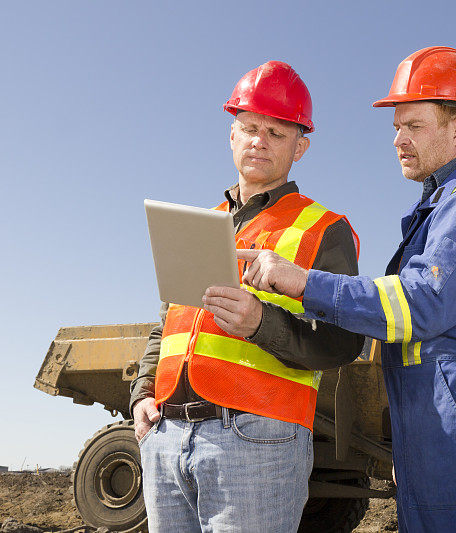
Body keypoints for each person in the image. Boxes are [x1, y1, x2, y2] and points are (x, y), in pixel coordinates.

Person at [237, 47, 456, 532]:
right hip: (446, 436)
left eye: (414, 126)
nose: (398, 140)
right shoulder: (444, 211)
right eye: (396, 127)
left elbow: (419, 304)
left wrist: (302, 281)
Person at [129, 61, 363, 533]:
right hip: (167, 437)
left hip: (257, 441)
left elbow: (343, 344)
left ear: (301, 147)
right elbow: (167, 325)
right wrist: (141, 394)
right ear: (231, 135)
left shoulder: (325, 229)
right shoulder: (201, 222)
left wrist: (261, 323)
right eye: (250, 127)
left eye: (277, 132)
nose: (259, 140)